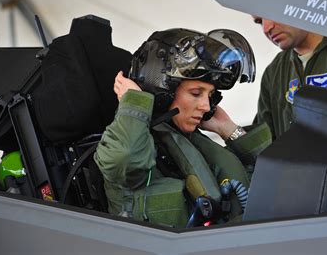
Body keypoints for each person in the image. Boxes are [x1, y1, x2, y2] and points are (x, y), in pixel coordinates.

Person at [94, 28, 271, 228]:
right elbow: (126, 161)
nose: (206, 106)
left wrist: (228, 129)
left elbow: (271, 182)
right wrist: (135, 104)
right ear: (164, 92)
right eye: (196, 93)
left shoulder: (192, 142)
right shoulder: (127, 143)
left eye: (210, 95)